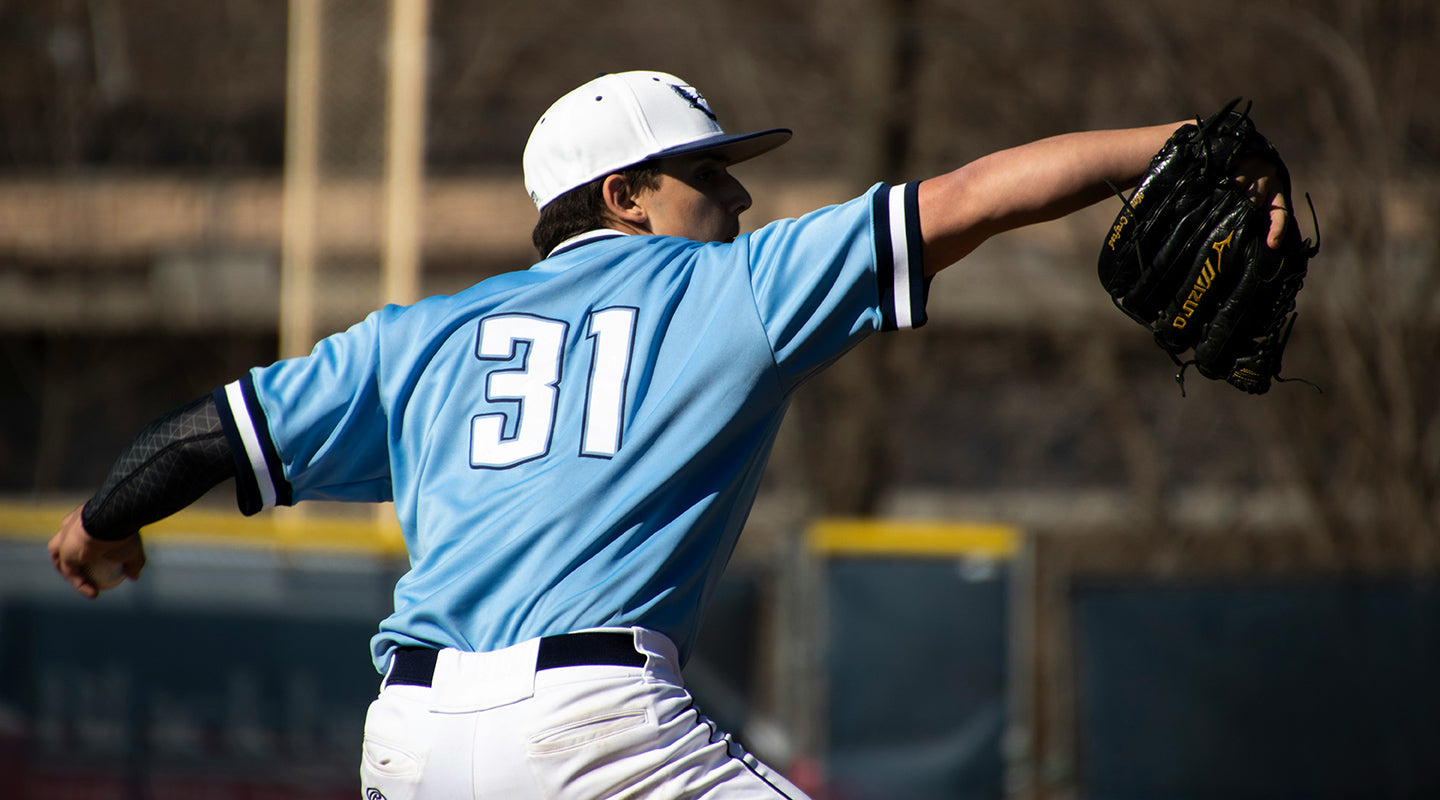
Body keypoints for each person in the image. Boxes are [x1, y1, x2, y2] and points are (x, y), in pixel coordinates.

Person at [49, 70, 1291, 799]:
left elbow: (207, 436)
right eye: (707, 172)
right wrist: (1174, 147)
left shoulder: (414, 337)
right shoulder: (728, 289)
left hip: (411, 742)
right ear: (623, 195)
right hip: (595, 727)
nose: (739, 195)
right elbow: (968, 197)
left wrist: (99, 524)